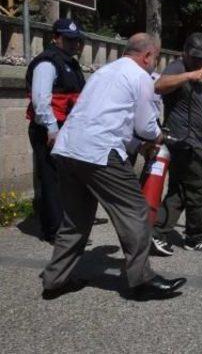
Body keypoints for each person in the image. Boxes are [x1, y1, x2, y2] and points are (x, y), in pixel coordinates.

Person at [40, 33, 186, 301]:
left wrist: (136, 145)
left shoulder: (103, 72)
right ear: (147, 56)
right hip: (99, 154)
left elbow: (107, 115)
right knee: (136, 210)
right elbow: (144, 126)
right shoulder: (141, 77)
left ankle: (55, 280)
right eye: (155, 59)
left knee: (75, 219)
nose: (155, 65)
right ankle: (142, 281)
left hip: (68, 148)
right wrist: (158, 136)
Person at [151, 33, 202, 256]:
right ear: (185, 53)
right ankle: (195, 237)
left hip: (190, 141)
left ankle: (157, 232)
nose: (199, 63)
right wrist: (191, 74)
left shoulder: (196, 74)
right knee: (199, 190)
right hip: (183, 141)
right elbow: (160, 85)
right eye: (195, 58)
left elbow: (199, 103)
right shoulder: (177, 67)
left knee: (180, 192)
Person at [26, 19, 90, 244]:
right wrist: (52, 129)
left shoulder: (70, 63)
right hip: (49, 129)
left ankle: (66, 229)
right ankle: (54, 231)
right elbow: (41, 101)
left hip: (66, 128)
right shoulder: (47, 63)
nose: (74, 44)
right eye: (69, 39)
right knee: (51, 179)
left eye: (76, 40)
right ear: (55, 38)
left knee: (67, 180)